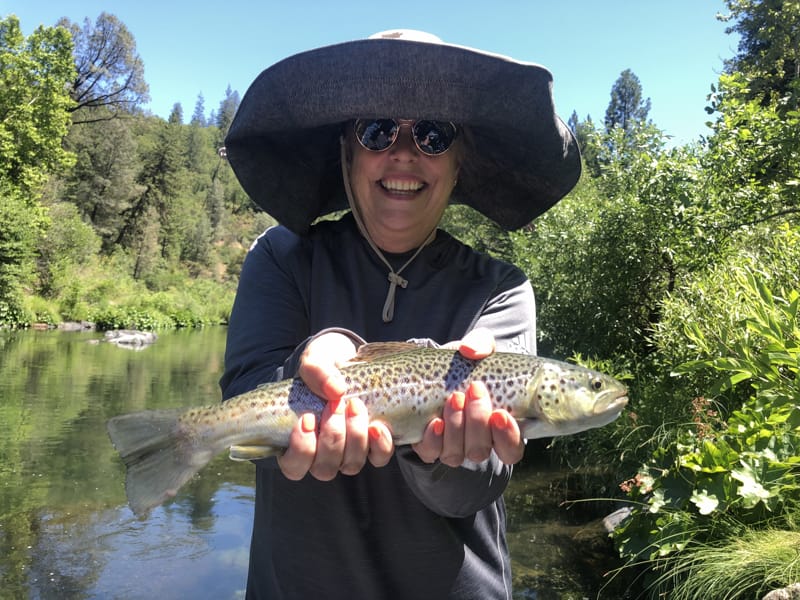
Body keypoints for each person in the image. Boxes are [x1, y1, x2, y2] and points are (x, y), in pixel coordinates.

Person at [220, 29, 580, 600]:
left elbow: (472, 491)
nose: (404, 152)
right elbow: (240, 409)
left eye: (434, 135)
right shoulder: (281, 257)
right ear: (347, 149)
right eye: (377, 130)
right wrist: (325, 357)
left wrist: (432, 450)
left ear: (460, 163)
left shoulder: (501, 290)